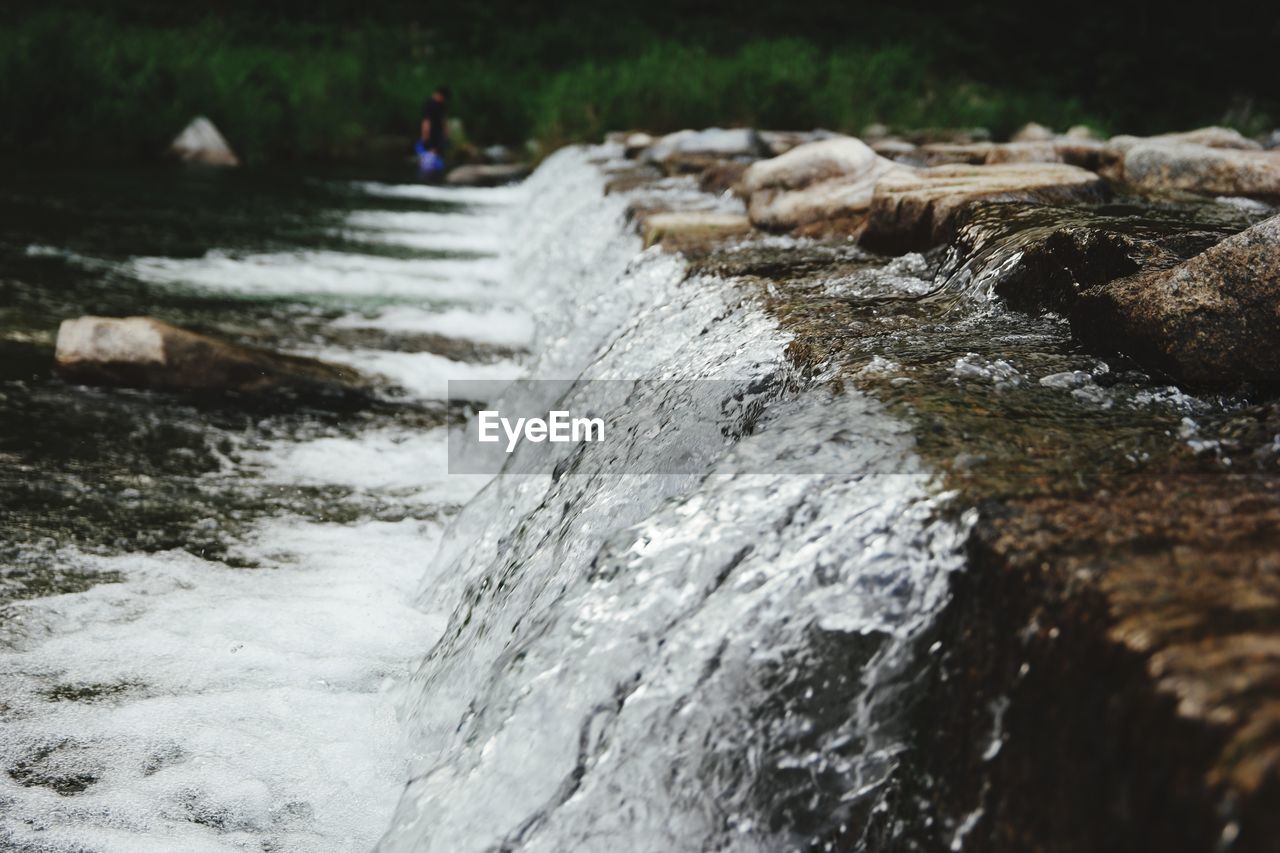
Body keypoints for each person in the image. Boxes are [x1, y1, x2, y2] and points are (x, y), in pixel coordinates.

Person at [416, 86, 449, 177]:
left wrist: (446, 134)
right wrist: (425, 136)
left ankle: (434, 174)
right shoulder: (429, 104)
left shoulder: (441, 105)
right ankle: (429, 175)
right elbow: (426, 122)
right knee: (431, 154)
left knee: (436, 155)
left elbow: (444, 121)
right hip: (432, 135)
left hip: (438, 135)